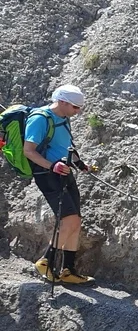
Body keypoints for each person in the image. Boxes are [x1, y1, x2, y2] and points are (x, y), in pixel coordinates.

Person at [25, 85, 93, 285]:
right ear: (62, 101)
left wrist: (80, 164)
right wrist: (52, 166)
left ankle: (67, 270)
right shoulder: (40, 119)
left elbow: (66, 146)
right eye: (75, 107)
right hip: (48, 174)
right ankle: (45, 262)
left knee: (76, 221)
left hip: (64, 172)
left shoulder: (64, 117)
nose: (77, 111)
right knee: (69, 220)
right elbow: (28, 151)